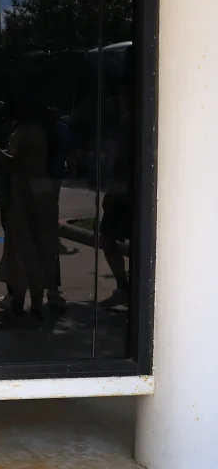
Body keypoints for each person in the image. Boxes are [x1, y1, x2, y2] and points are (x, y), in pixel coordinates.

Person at [0, 97, 58, 323]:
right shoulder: (42, 132)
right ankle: (36, 308)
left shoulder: (23, 133)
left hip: (24, 194)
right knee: (39, 249)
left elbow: (15, 163)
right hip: (42, 192)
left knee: (19, 248)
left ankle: (16, 304)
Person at [100, 83, 133, 309]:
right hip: (133, 190)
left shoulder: (127, 122)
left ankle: (123, 286)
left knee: (108, 237)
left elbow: (123, 162)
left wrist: (112, 192)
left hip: (124, 192)